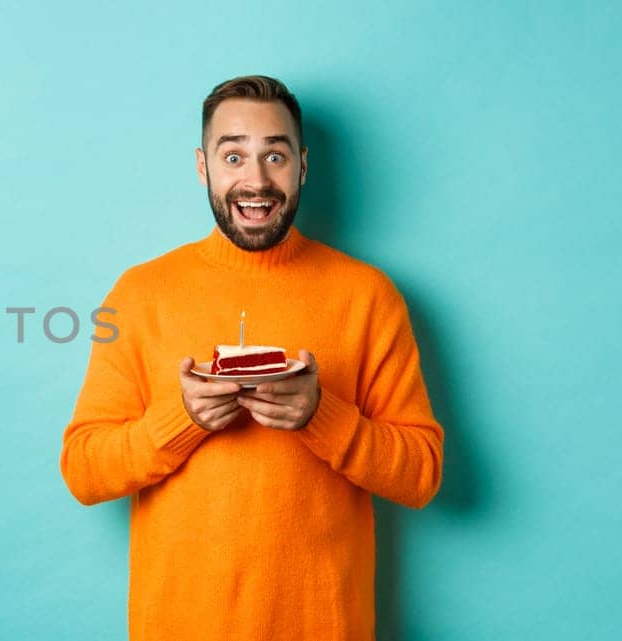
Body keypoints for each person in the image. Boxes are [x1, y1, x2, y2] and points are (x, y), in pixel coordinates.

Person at [58, 75, 444, 641]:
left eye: (276, 156)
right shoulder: (141, 294)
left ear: (303, 166)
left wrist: (321, 416)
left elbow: (422, 475)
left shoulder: (368, 296)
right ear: (202, 166)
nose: (256, 180)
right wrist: (182, 420)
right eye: (233, 155)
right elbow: (84, 471)